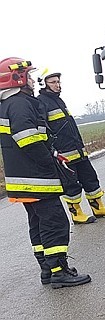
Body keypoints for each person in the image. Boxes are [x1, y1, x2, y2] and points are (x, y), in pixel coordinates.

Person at [0, 58, 91, 288]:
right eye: (29, 76)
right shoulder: (20, 104)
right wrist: (51, 163)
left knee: (38, 224)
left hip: (23, 179)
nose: (32, 80)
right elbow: (29, 140)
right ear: (17, 78)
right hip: (37, 178)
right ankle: (59, 271)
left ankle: (47, 270)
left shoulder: (8, 104)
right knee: (55, 223)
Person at [36, 68, 105, 224]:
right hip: (64, 154)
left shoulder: (58, 100)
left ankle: (98, 207)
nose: (57, 85)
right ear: (44, 84)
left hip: (78, 150)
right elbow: (44, 129)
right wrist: (53, 150)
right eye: (53, 82)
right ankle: (76, 213)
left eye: (58, 82)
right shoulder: (41, 102)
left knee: (90, 178)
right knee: (71, 185)